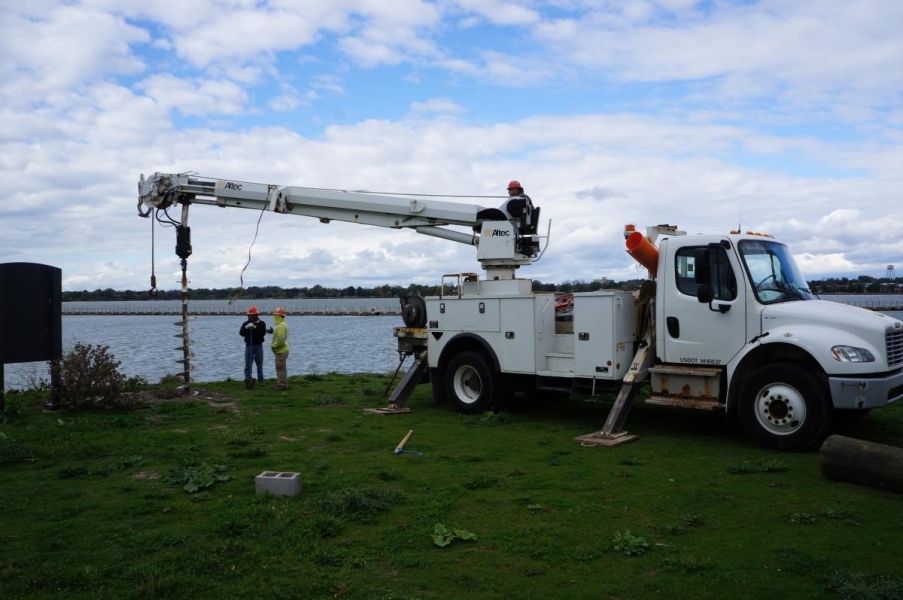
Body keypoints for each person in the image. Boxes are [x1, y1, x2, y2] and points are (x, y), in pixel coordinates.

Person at [239, 305, 267, 388]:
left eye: (253, 315)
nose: (252, 316)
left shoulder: (262, 323)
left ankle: (261, 380)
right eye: (250, 315)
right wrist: (246, 327)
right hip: (249, 346)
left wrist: (255, 327)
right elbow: (241, 333)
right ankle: (247, 380)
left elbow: (263, 333)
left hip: (258, 346)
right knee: (248, 364)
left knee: (259, 364)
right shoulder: (245, 323)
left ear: (257, 315)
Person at [270, 307, 290, 390]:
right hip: (282, 350)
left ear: (278, 316)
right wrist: (272, 332)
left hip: (281, 350)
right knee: (281, 368)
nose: (274, 317)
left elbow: (280, 338)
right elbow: (280, 335)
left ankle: (282, 385)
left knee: (280, 368)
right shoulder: (282, 324)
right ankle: (281, 384)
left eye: (275, 315)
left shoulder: (281, 326)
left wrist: (274, 345)